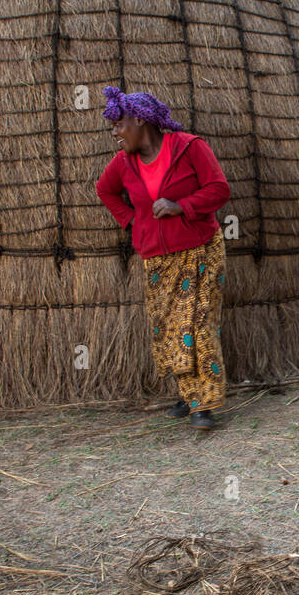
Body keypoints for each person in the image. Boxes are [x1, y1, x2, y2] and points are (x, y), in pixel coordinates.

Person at [95, 87, 231, 429]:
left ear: (141, 120)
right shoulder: (123, 163)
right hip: (156, 259)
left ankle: (204, 404)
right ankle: (189, 395)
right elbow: (104, 190)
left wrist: (181, 206)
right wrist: (131, 221)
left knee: (197, 324)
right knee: (171, 329)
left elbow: (219, 189)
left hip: (200, 249)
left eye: (119, 124)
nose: (115, 132)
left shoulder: (189, 147)